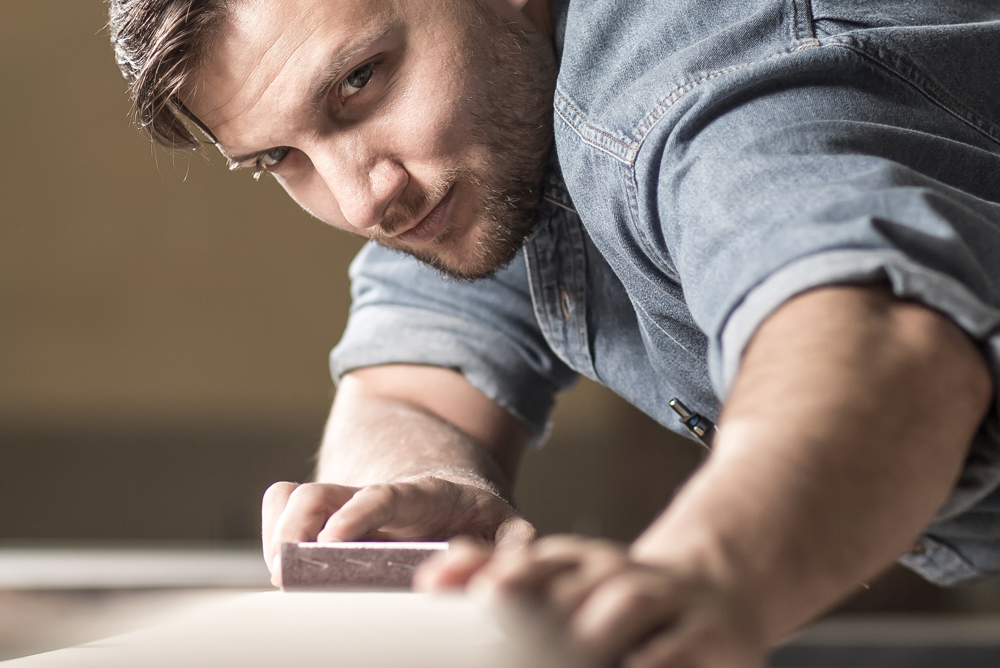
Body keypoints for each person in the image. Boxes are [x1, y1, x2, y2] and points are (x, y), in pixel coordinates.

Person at [109, 0, 1000, 665]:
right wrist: (415, 493)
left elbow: (879, 340)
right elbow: (411, 378)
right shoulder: (488, 126)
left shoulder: (681, 77)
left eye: (358, 83)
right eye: (280, 158)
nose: (362, 198)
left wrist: (705, 575)